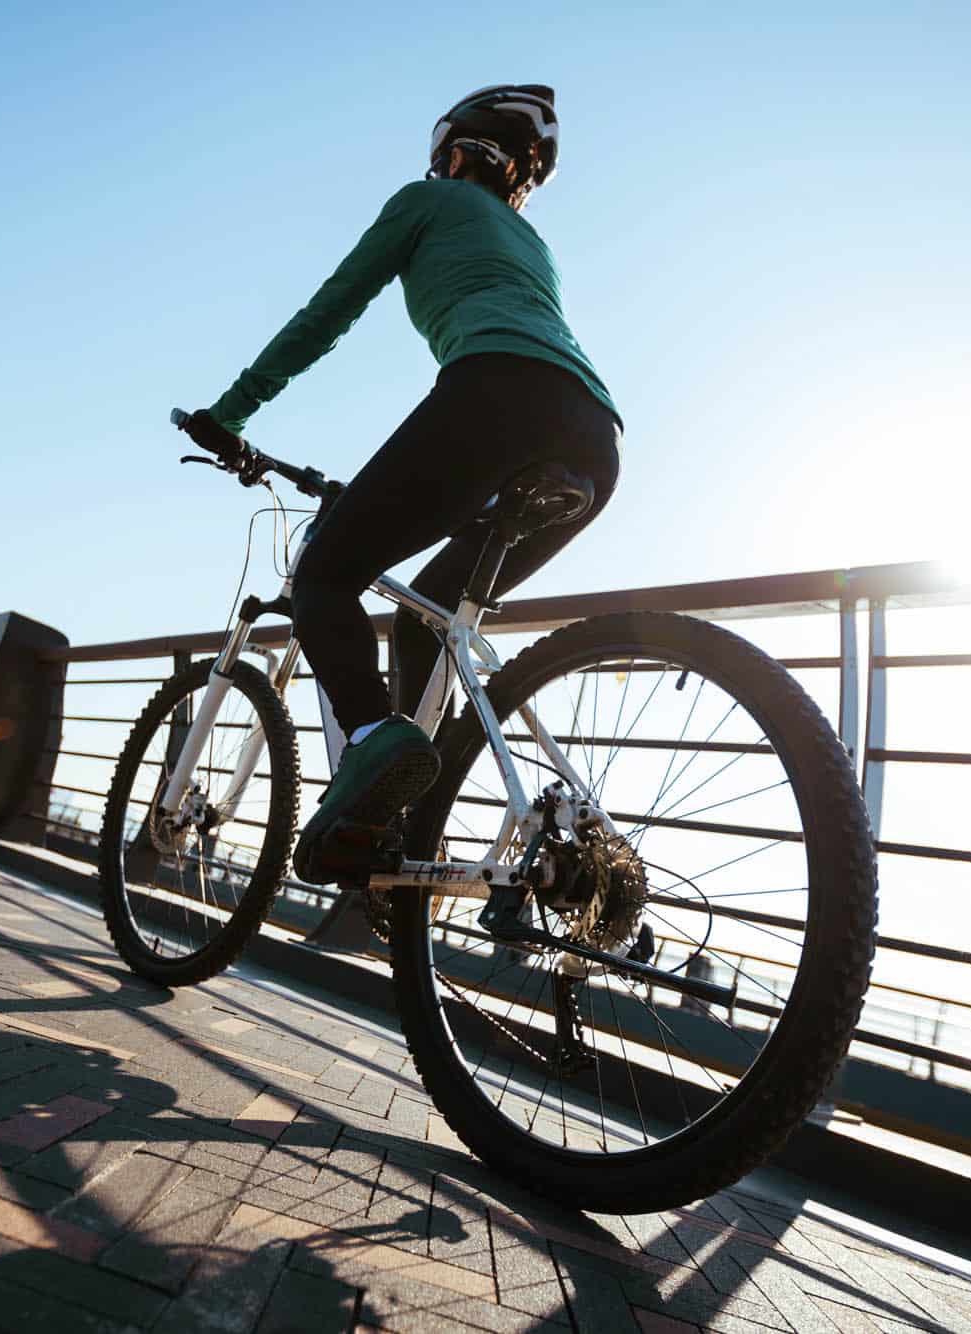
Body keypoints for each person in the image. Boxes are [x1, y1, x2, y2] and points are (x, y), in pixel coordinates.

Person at [191, 84, 623, 885]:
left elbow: (330, 311)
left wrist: (232, 412)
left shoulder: (430, 202)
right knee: (431, 613)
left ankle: (368, 744)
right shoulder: (530, 243)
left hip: (495, 396)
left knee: (324, 571)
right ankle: (407, 827)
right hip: (595, 436)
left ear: (455, 156)